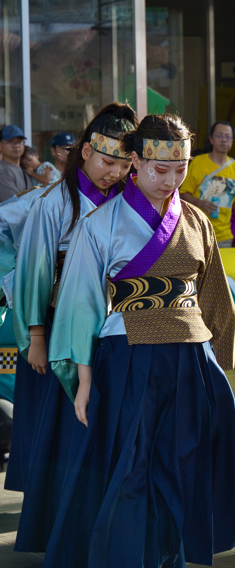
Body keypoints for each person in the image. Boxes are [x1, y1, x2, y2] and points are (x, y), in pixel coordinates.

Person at [44, 113, 235, 568]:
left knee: (175, 468)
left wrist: (220, 358)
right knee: (131, 471)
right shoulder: (100, 224)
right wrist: (82, 378)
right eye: (161, 169)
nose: (171, 181)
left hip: (190, 356)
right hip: (128, 356)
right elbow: (81, 304)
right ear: (136, 162)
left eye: (180, 169)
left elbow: (215, 294)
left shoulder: (196, 221)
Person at [3, 103, 137, 502]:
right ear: (86, 152)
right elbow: (34, 274)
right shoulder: (52, 202)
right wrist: (36, 336)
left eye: (123, 165)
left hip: (110, 329)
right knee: (58, 427)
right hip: (57, 327)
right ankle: (58, 514)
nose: (114, 172)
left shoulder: (127, 201)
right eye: (107, 161)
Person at [180, 121, 235, 247]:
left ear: (232, 141)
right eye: (219, 135)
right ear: (211, 139)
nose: (224, 139)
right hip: (197, 234)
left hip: (224, 238)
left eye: (228, 136)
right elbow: (183, 194)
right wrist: (199, 203)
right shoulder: (198, 162)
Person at [0, 125, 35, 201]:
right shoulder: (1, 170)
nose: (16, 146)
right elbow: (14, 203)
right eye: (10, 142)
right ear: (0, 146)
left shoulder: (24, 170)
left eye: (19, 142)